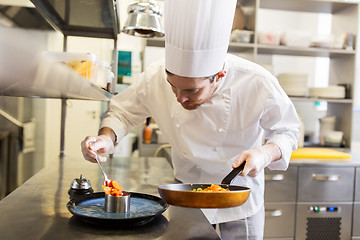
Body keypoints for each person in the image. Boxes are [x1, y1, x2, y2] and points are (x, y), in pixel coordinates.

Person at [81, 0, 300, 239]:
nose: (180, 98)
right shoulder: (155, 74)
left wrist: (265, 153)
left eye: (192, 91)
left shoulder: (256, 81)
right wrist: (105, 138)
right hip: (185, 193)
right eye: (172, 86)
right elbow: (122, 112)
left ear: (219, 76)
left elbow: (288, 132)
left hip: (239, 197)